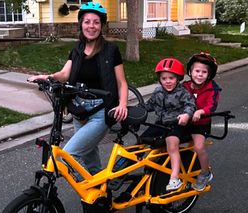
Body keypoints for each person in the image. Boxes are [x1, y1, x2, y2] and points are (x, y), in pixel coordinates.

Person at [27, 2, 128, 177]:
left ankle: (91, 191)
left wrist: (123, 105)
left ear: (102, 25)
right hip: (79, 110)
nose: (91, 26)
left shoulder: (111, 50)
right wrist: (48, 77)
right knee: (89, 156)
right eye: (87, 21)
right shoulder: (77, 50)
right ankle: (100, 193)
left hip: (100, 112)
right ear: (81, 24)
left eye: (96, 22)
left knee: (68, 155)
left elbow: (122, 82)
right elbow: (65, 74)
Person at [141, 58, 196, 191]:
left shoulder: (182, 92)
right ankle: (127, 169)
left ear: (178, 78)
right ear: (160, 79)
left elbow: (190, 105)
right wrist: (134, 111)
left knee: (172, 144)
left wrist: (186, 115)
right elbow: (149, 105)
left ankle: (174, 178)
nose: (168, 81)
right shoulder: (158, 91)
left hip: (177, 124)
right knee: (141, 141)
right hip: (160, 124)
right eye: (164, 78)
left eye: (171, 78)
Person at [183, 52, 221, 191]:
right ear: (190, 72)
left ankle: (205, 173)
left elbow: (212, 106)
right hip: (185, 121)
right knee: (168, 140)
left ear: (209, 74)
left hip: (200, 124)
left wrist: (201, 111)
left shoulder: (212, 88)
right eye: (197, 71)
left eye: (204, 72)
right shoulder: (185, 86)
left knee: (198, 147)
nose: (200, 74)